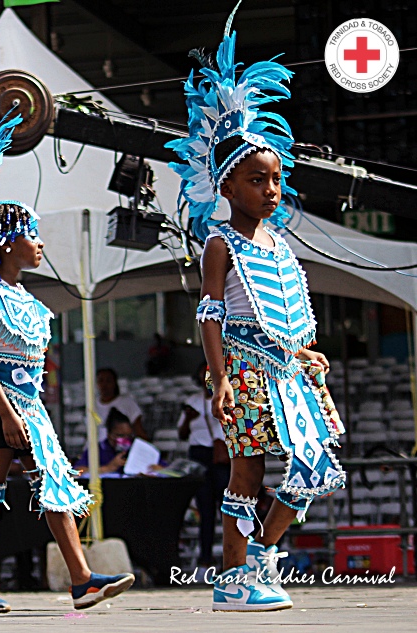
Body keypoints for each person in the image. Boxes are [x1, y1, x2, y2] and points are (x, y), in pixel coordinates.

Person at [168, 5, 345, 611]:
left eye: (274, 179)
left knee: (314, 467)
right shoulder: (221, 242)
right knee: (246, 474)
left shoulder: (279, 242)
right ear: (225, 187)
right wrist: (217, 377)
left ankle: (263, 558)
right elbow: (211, 315)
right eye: (255, 180)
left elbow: (278, 313)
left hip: (289, 370)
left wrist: (300, 350)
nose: (269, 190)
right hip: (244, 372)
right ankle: (233, 576)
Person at [0, 100, 134, 613]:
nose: (39, 243)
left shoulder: (29, 300)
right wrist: (8, 414)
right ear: (6, 245)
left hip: (29, 409)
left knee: (53, 484)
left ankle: (81, 579)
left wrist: (32, 412)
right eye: (32, 235)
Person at [179, 362, 231, 569]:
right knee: (205, 510)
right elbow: (182, 434)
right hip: (200, 454)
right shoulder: (192, 401)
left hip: (221, 455)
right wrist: (188, 419)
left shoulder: (228, 396)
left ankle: (233, 557)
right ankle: (205, 560)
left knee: (227, 508)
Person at [74, 409, 134, 476]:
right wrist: (108, 468)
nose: (125, 440)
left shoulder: (134, 449)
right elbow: (77, 472)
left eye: (128, 436)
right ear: (109, 434)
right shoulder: (96, 451)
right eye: (120, 435)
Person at [96, 368, 148, 441]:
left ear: (115, 383)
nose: (104, 385)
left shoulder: (127, 403)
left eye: (108, 381)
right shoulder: (92, 406)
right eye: (101, 381)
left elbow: (138, 430)